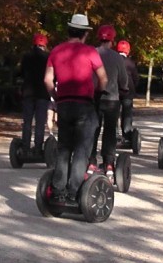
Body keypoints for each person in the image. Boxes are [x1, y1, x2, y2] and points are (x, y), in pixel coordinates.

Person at [44, 14, 108, 205]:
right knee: (82, 149)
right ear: (85, 34)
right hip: (84, 104)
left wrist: (56, 97)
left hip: (64, 104)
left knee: (64, 147)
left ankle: (58, 189)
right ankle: (74, 191)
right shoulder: (89, 52)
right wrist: (97, 93)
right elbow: (103, 79)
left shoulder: (56, 51)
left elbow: (47, 80)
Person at [88, 25, 129, 181]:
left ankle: (91, 162)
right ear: (112, 40)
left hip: (94, 98)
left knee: (93, 130)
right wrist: (123, 89)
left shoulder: (92, 53)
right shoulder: (117, 57)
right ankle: (109, 163)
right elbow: (123, 80)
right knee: (110, 132)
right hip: (112, 98)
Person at [19, 33, 51, 155]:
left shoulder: (26, 56)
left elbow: (21, 73)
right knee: (40, 122)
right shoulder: (48, 57)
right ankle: (38, 148)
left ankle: (25, 147)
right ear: (45, 44)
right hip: (42, 93)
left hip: (28, 92)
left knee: (27, 121)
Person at [116, 40, 139, 148]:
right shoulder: (130, 62)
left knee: (114, 114)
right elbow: (135, 78)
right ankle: (126, 135)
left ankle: (114, 135)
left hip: (114, 91)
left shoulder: (113, 60)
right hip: (128, 91)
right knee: (127, 115)